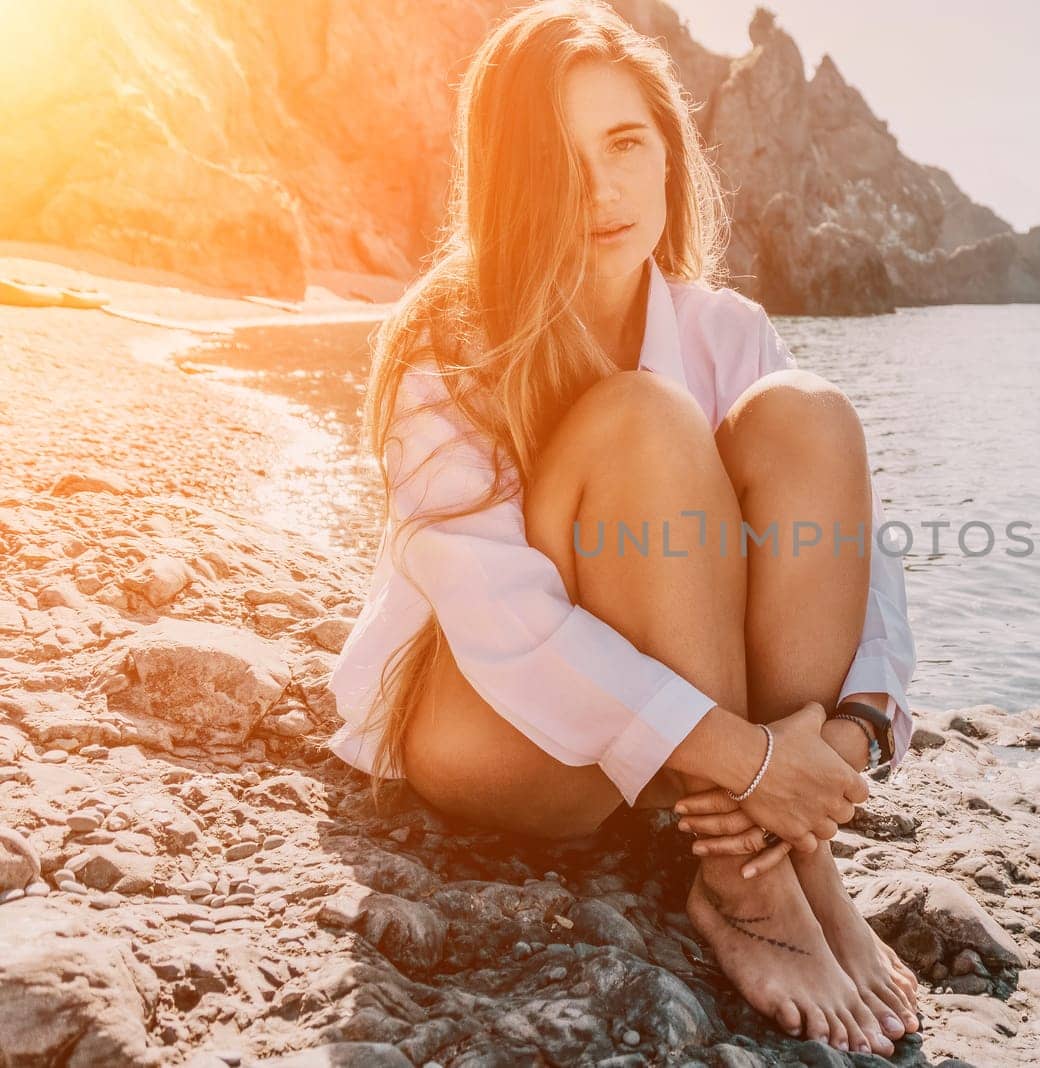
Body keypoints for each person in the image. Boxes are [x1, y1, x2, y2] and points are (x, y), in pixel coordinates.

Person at [325, 0, 919, 1056]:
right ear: (510, 180)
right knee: (643, 419)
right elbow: (503, 622)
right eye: (558, 158)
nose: (599, 189)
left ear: (668, 156)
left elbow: (847, 556)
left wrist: (844, 736)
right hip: (485, 720)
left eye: (625, 143)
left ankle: (778, 844)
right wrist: (746, 760)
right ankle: (749, 876)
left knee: (809, 415)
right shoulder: (446, 347)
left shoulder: (722, 326)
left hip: (668, 746)